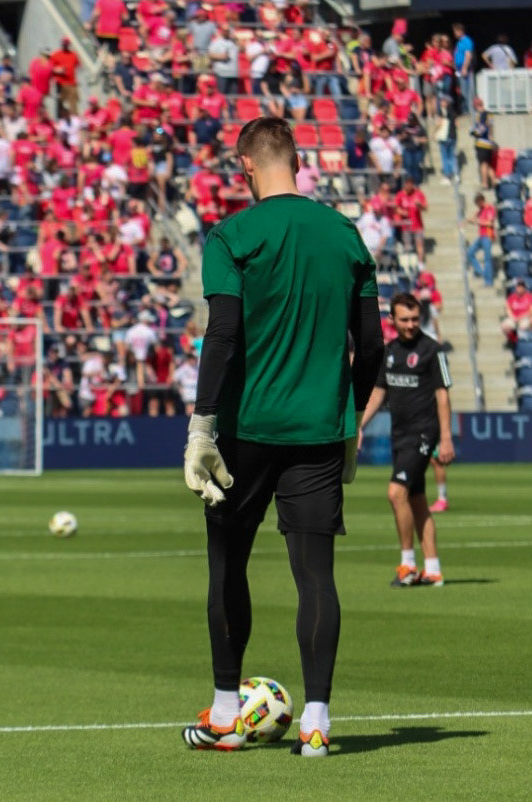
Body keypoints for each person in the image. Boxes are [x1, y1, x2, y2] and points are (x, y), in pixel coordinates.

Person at [181, 117, 383, 758]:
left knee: (227, 563)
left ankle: (224, 714)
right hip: (320, 431)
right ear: (297, 161)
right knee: (315, 576)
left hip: (247, 429)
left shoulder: (233, 235)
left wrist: (202, 424)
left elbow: (223, 333)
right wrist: (351, 419)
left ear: (245, 164)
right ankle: (317, 722)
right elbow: (371, 346)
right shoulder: (345, 233)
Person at [359, 292, 454, 587]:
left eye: (415, 319)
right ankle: (433, 570)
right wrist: (359, 426)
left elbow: (443, 395)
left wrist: (446, 437)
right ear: (392, 319)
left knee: (396, 493)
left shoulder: (432, 350)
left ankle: (408, 566)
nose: (411, 324)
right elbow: (378, 392)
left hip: (424, 433)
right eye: (405, 319)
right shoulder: (388, 352)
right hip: (400, 435)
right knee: (416, 500)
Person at [464, 192, 495, 288]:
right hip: (481, 236)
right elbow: (474, 218)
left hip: (487, 236)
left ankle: (488, 281)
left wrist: (478, 221)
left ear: (481, 200)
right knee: (469, 253)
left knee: (487, 259)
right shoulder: (480, 210)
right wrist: (466, 221)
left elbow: (490, 223)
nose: (477, 205)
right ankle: (480, 271)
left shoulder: (490, 208)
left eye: (477, 203)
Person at [470, 98, 495, 189]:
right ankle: (494, 181)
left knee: (483, 164)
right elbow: (490, 128)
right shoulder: (490, 114)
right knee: (488, 164)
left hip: (482, 143)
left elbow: (482, 128)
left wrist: (473, 132)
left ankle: (485, 184)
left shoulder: (482, 114)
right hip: (489, 143)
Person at [501, 279, 532, 344]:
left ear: (524, 288)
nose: (519, 288)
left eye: (521, 286)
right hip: (514, 318)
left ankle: (520, 343)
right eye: (518, 286)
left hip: (525, 318)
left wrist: (521, 317)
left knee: (524, 326)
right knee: (505, 325)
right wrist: (512, 317)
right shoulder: (512, 297)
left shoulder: (529, 297)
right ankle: (512, 341)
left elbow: (531, 311)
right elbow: (508, 309)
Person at [452, 23, 474, 115]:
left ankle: (469, 110)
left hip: (464, 69)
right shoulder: (459, 42)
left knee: (466, 90)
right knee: (461, 90)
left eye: (455, 32)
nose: (454, 34)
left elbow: (468, 55)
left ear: (460, 31)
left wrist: (464, 68)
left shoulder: (466, 41)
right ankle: (464, 109)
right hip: (459, 69)